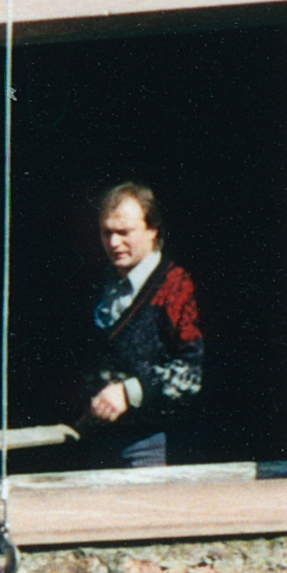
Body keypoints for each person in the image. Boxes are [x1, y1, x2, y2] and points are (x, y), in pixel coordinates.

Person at [80, 181, 202, 468]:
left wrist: (129, 391)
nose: (113, 243)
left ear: (152, 230)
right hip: (99, 441)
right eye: (106, 232)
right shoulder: (100, 284)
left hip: (154, 446)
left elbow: (193, 372)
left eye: (124, 233)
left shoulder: (178, 286)